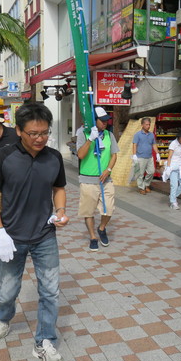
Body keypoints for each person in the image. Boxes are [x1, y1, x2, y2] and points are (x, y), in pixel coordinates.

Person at [0, 101, 68, 361]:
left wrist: (61, 211)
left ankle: (44, 341)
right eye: (33, 133)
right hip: (11, 237)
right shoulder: (3, 156)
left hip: (45, 235)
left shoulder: (54, 157)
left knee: (50, 291)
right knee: (7, 290)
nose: (40, 139)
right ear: (19, 131)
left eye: (44, 133)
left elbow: (59, 189)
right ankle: (4, 316)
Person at [77, 107, 119, 252]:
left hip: (105, 180)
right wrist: (90, 139)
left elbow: (114, 155)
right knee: (88, 211)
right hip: (88, 180)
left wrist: (108, 170)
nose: (105, 123)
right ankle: (93, 237)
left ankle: (101, 228)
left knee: (109, 209)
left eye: (106, 120)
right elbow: (80, 155)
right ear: (94, 121)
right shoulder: (83, 133)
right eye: (102, 121)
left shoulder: (109, 135)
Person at [163, 128, 181, 210]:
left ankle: (173, 196)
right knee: (174, 185)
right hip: (173, 166)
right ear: (179, 137)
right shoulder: (173, 144)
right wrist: (168, 167)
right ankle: (173, 202)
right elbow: (169, 156)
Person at [132, 117, 160, 194]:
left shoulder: (151, 135)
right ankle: (141, 187)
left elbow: (154, 144)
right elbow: (134, 145)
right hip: (140, 156)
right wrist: (134, 155)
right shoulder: (137, 135)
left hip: (149, 156)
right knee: (140, 174)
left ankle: (146, 184)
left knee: (151, 171)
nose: (148, 126)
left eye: (149, 124)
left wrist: (157, 153)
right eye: (147, 124)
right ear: (142, 125)